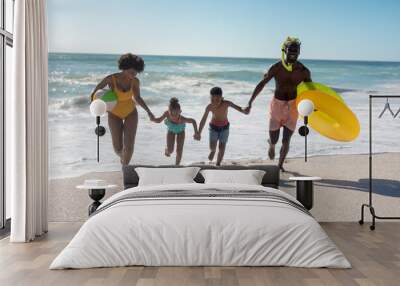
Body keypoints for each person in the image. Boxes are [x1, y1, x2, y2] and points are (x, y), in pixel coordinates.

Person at [245, 37, 312, 172]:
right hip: (277, 105)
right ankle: (271, 145)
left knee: (286, 140)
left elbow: (311, 92)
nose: (293, 52)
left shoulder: (303, 71)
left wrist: (309, 111)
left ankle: (280, 165)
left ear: (299, 52)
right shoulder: (276, 68)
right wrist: (250, 102)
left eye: (296, 50)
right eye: (290, 49)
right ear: (284, 50)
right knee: (274, 139)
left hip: (294, 106)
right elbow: (262, 84)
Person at [90, 53, 155, 165]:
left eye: (136, 73)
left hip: (131, 112)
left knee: (129, 147)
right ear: (124, 68)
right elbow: (94, 94)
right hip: (114, 114)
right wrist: (97, 108)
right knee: (118, 148)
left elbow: (138, 98)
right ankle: (123, 159)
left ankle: (125, 170)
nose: (133, 75)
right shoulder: (111, 79)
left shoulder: (135, 82)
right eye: (131, 72)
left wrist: (149, 112)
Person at [198, 86, 247, 166]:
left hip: (225, 128)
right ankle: (213, 151)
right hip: (213, 127)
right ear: (211, 98)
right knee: (212, 147)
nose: (215, 101)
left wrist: (244, 110)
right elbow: (203, 120)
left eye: (218, 99)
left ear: (222, 97)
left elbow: (238, 108)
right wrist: (199, 132)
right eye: (213, 99)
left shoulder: (226, 103)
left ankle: (218, 163)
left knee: (222, 147)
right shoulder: (209, 107)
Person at [151, 97, 200, 165]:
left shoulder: (182, 119)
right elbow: (159, 120)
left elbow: (193, 121)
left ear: (180, 111)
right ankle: (167, 151)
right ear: (168, 111)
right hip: (171, 131)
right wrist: (153, 119)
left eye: (176, 114)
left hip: (181, 132)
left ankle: (177, 166)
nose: (174, 116)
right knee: (170, 150)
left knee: (179, 151)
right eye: (172, 114)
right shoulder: (166, 114)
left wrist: (196, 132)